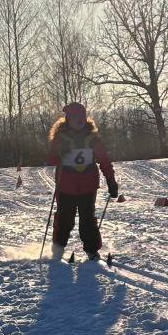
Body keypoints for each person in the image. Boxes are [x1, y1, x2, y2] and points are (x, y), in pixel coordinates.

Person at [45, 103, 118, 261]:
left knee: (88, 220)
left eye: (82, 117)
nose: (79, 120)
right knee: (65, 219)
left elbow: (104, 160)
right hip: (66, 186)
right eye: (75, 117)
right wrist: (59, 153)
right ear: (68, 119)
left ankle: (92, 251)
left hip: (88, 185)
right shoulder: (60, 137)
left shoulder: (93, 138)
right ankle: (58, 249)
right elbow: (50, 160)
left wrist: (111, 180)